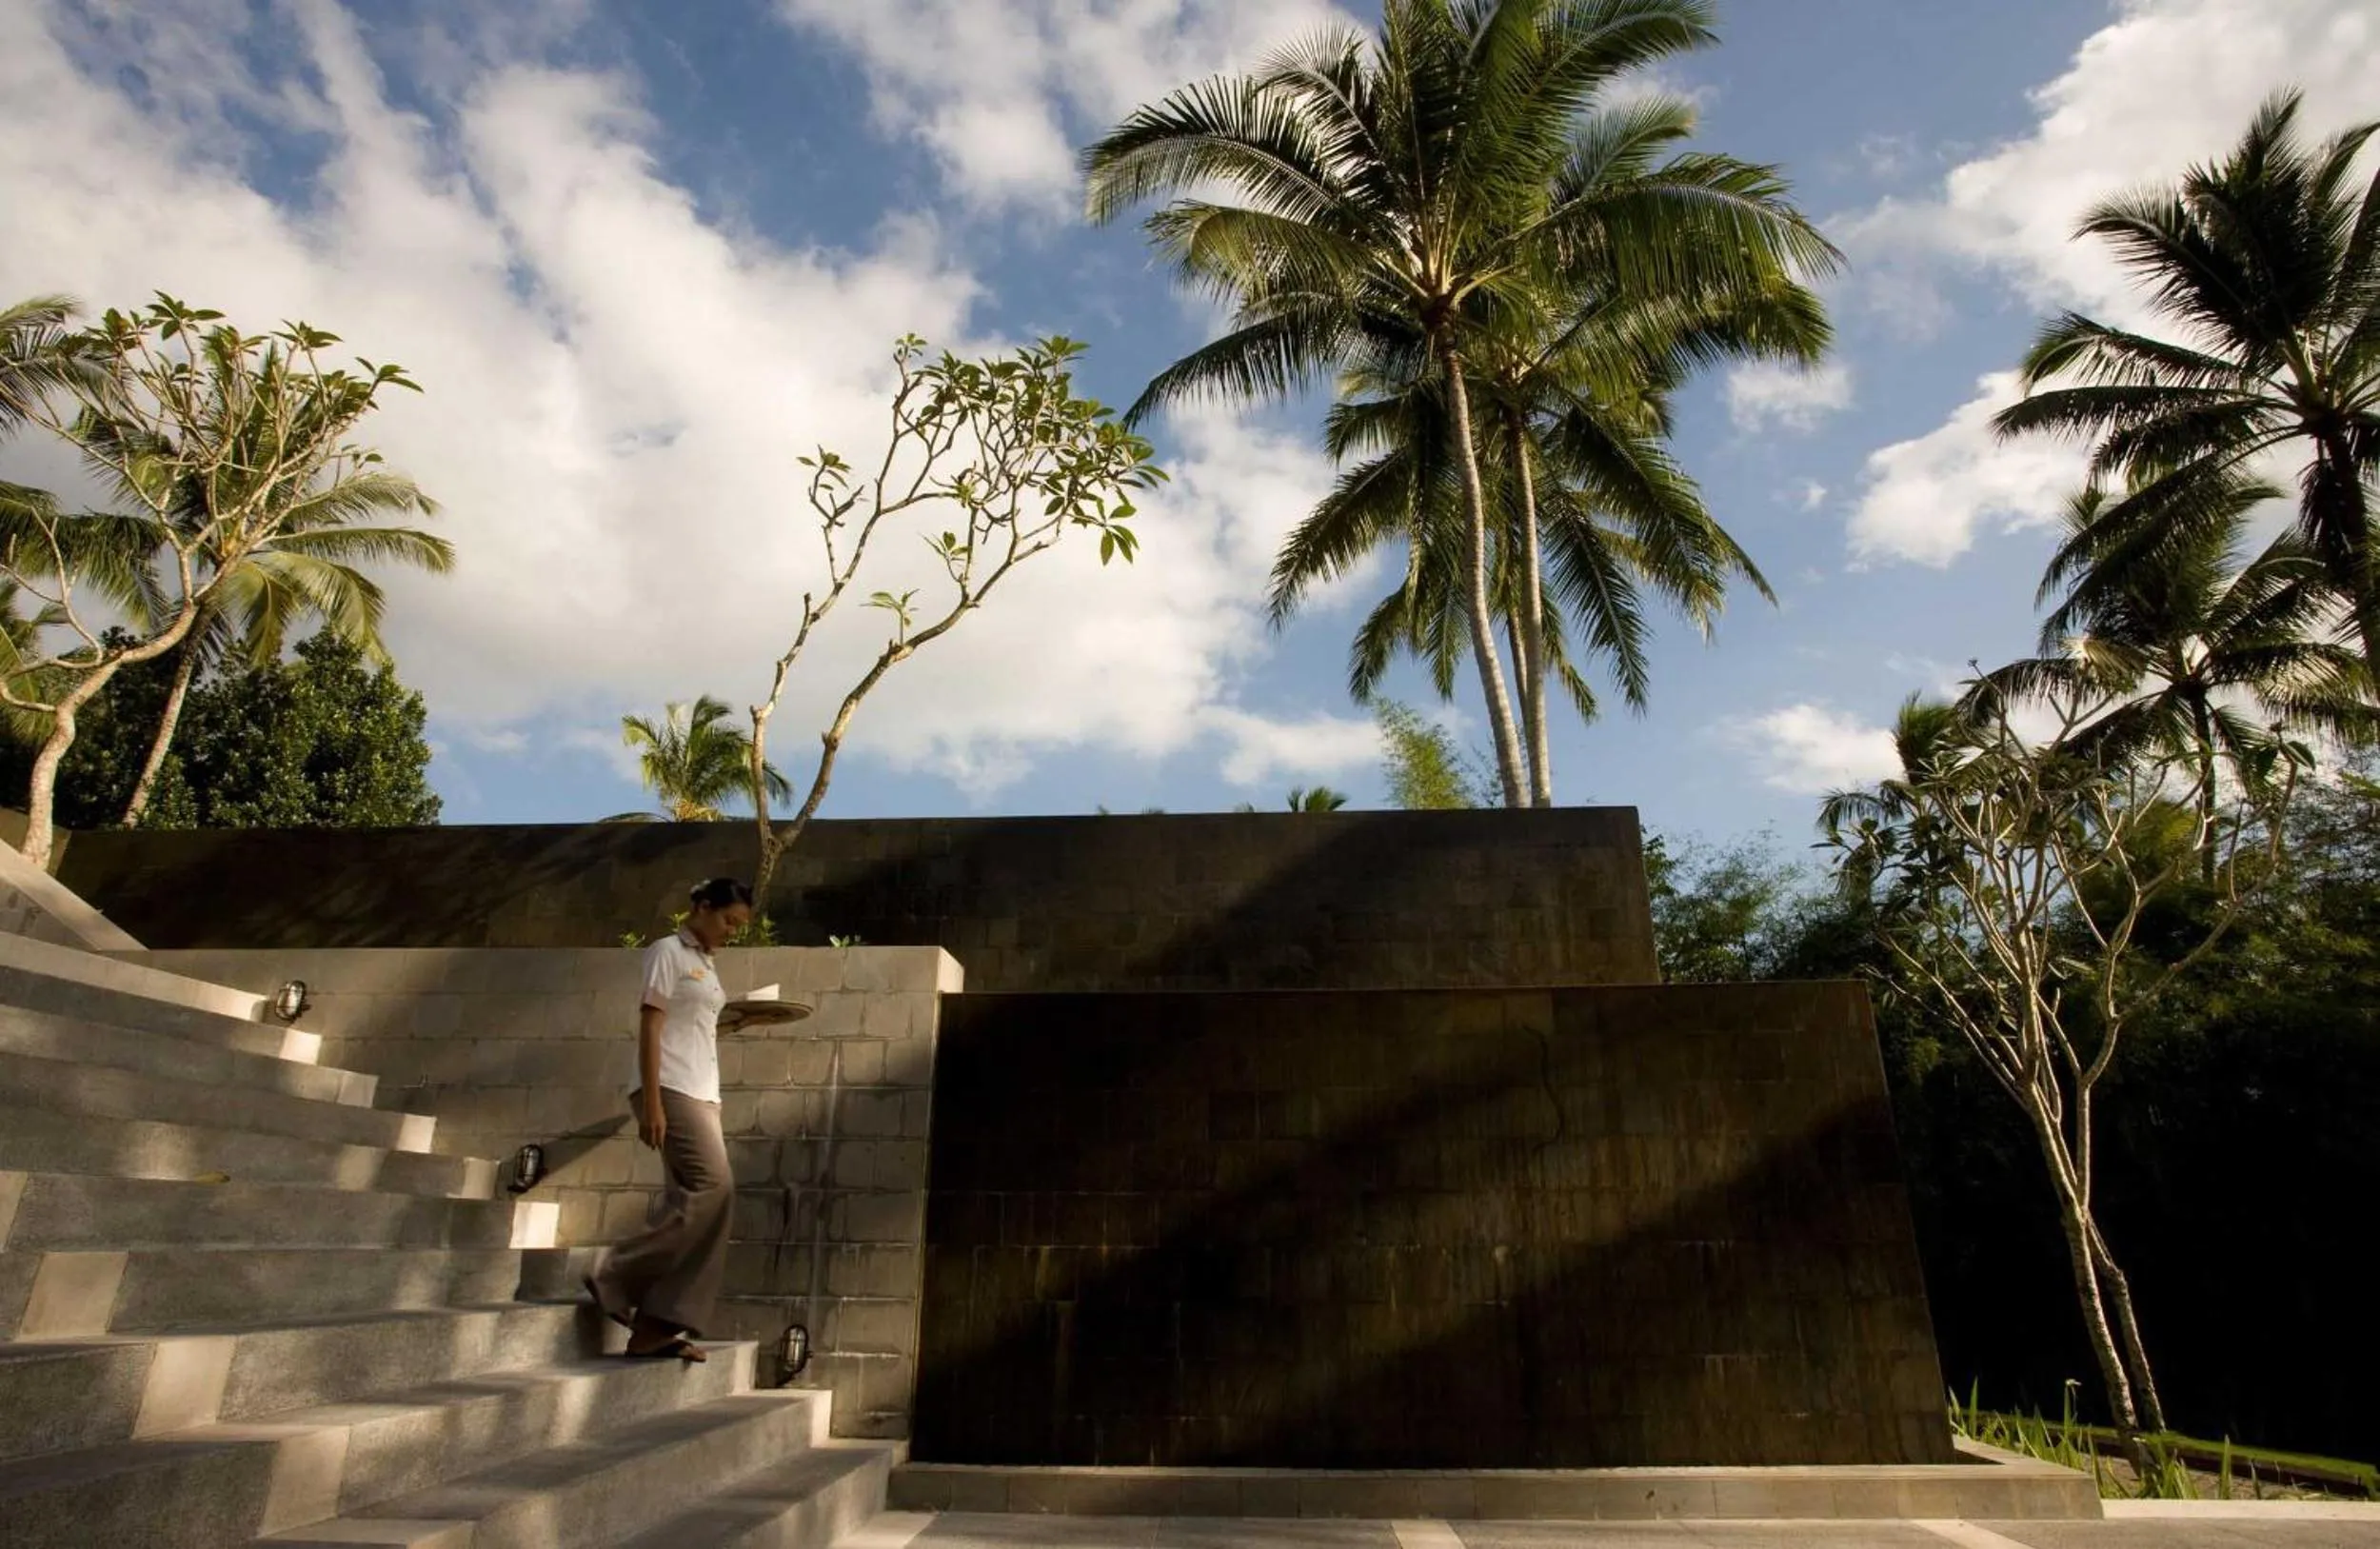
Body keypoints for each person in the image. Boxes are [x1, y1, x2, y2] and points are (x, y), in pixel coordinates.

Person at [585, 877, 753, 1360]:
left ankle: (656, 1327)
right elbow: (652, 1023)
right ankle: (614, 1275)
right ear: (701, 907)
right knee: (713, 1188)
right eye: (728, 920)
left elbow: (693, 1022)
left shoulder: (705, 965)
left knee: (707, 1202)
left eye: (739, 927)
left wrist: (742, 1018)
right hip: (672, 1088)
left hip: (703, 1093)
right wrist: (653, 1101)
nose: (731, 932)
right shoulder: (668, 952)